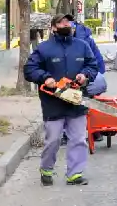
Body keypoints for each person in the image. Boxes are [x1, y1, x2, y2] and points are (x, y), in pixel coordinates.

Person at [23, 17, 100, 186]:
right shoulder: (44, 49)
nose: (66, 25)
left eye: (68, 22)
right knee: (53, 140)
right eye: (62, 22)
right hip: (53, 102)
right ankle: (46, 169)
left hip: (76, 100)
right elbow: (30, 69)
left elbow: (93, 65)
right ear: (53, 28)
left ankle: (75, 174)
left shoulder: (82, 46)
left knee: (79, 139)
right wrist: (45, 78)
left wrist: (85, 75)